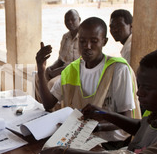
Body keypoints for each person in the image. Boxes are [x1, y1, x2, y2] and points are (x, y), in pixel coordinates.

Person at [36, 17, 140, 145]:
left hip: (111, 143)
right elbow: (48, 104)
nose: (87, 46)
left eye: (94, 41)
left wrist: (95, 127)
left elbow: (126, 119)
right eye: (82, 41)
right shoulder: (73, 69)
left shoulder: (118, 70)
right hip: (80, 138)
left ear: (104, 41)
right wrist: (41, 70)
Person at [35, 10, 81, 105]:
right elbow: (61, 59)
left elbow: (80, 64)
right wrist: (51, 68)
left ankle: (51, 110)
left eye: (73, 19)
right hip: (63, 69)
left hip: (75, 72)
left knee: (52, 83)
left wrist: (57, 71)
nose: (69, 22)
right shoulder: (66, 37)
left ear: (79, 19)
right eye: (67, 20)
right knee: (39, 77)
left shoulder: (83, 37)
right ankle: (41, 106)